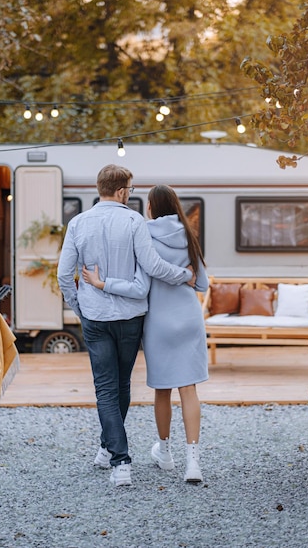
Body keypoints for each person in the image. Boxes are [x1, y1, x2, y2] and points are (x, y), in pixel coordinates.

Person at [57, 165, 196, 488]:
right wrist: (184, 276)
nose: (130, 195)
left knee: (107, 387)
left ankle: (112, 453)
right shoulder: (135, 222)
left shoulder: (78, 223)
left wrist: (81, 308)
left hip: (96, 317)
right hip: (131, 318)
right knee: (120, 385)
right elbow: (152, 267)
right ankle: (118, 456)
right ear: (121, 192)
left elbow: (65, 275)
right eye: (130, 190)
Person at [82, 184, 209, 483]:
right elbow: (200, 283)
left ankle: (164, 452)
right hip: (189, 318)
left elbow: (140, 284)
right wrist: (185, 276)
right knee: (189, 389)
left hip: (158, 323)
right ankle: (193, 464)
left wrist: (103, 284)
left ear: (151, 207)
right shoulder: (189, 234)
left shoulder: (144, 233)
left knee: (163, 389)